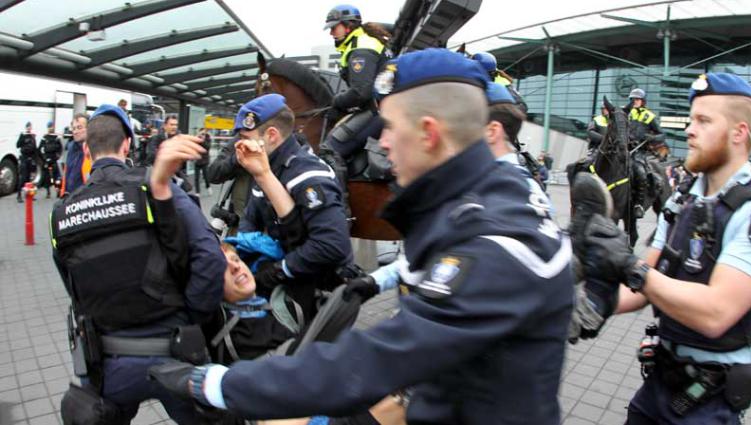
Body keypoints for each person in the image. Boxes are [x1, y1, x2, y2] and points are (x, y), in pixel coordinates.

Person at [149, 48, 576, 425]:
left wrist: (219, 385)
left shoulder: (492, 242)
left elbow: (374, 362)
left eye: (387, 127)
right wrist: (380, 279)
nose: (382, 143)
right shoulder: (482, 198)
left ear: (428, 133)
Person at [577, 73, 751, 423]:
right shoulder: (682, 199)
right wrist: (589, 302)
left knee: (642, 173)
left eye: (703, 121)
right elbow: (646, 284)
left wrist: (629, 267)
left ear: (738, 133)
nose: (690, 130)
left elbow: (715, 313)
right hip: (658, 383)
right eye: (691, 120)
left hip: (709, 401)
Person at [51, 104, 226, 424]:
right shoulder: (156, 186)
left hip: (107, 366)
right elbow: (210, 257)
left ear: (87, 149)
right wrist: (193, 314)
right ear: (127, 144)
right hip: (176, 354)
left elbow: (72, 284)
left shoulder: (62, 212)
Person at [231, 94, 354, 320]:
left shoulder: (308, 175)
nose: (239, 145)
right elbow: (250, 217)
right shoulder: (267, 167)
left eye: (245, 137)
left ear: (271, 135)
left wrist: (278, 270)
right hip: (292, 280)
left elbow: (332, 245)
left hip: (320, 292)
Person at [323, 4, 392, 159]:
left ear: (348, 26)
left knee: (330, 149)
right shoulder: (364, 42)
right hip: (383, 107)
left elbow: (361, 92)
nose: (331, 33)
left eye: (334, 28)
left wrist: (337, 101)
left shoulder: (361, 49)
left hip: (380, 111)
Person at [626, 88, 665, 218]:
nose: (635, 101)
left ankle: (639, 204)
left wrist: (652, 138)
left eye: (637, 99)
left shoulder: (649, 116)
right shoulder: (627, 113)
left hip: (639, 152)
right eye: (633, 99)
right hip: (624, 149)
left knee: (640, 173)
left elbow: (662, 135)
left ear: (643, 101)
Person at [61, 113, 89, 196]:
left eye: (79, 128)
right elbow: (67, 174)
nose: (75, 131)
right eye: (73, 128)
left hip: (86, 198)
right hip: (70, 197)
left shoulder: (94, 149)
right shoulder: (71, 149)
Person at [38, 120, 63, 198]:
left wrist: (58, 156)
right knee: (47, 177)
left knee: (56, 177)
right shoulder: (44, 137)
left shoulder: (56, 137)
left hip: (54, 159)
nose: (50, 128)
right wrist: (43, 158)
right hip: (47, 159)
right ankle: (48, 192)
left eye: (51, 126)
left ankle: (58, 190)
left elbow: (60, 148)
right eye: (49, 127)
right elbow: (39, 149)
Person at [16, 121, 38, 202]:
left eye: (30, 126)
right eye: (28, 126)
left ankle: (29, 195)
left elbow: (35, 149)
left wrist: (34, 160)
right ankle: (19, 195)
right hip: (24, 158)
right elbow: (18, 145)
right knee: (23, 178)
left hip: (30, 159)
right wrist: (22, 137)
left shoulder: (32, 136)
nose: (29, 128)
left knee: (29, 178)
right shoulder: (23, 135)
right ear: (26, 127)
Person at [195, 128, 212, 195]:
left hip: (205, 161)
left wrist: (202, 140)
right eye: (201, 133)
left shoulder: (208, 138)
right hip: (197, 160)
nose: (202, 135)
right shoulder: (197, 138)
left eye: (203, 133)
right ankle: (197, 192)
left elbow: (208, 147)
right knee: (196, 178)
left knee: (206, 176)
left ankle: (208, 186)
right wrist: (197, 137)